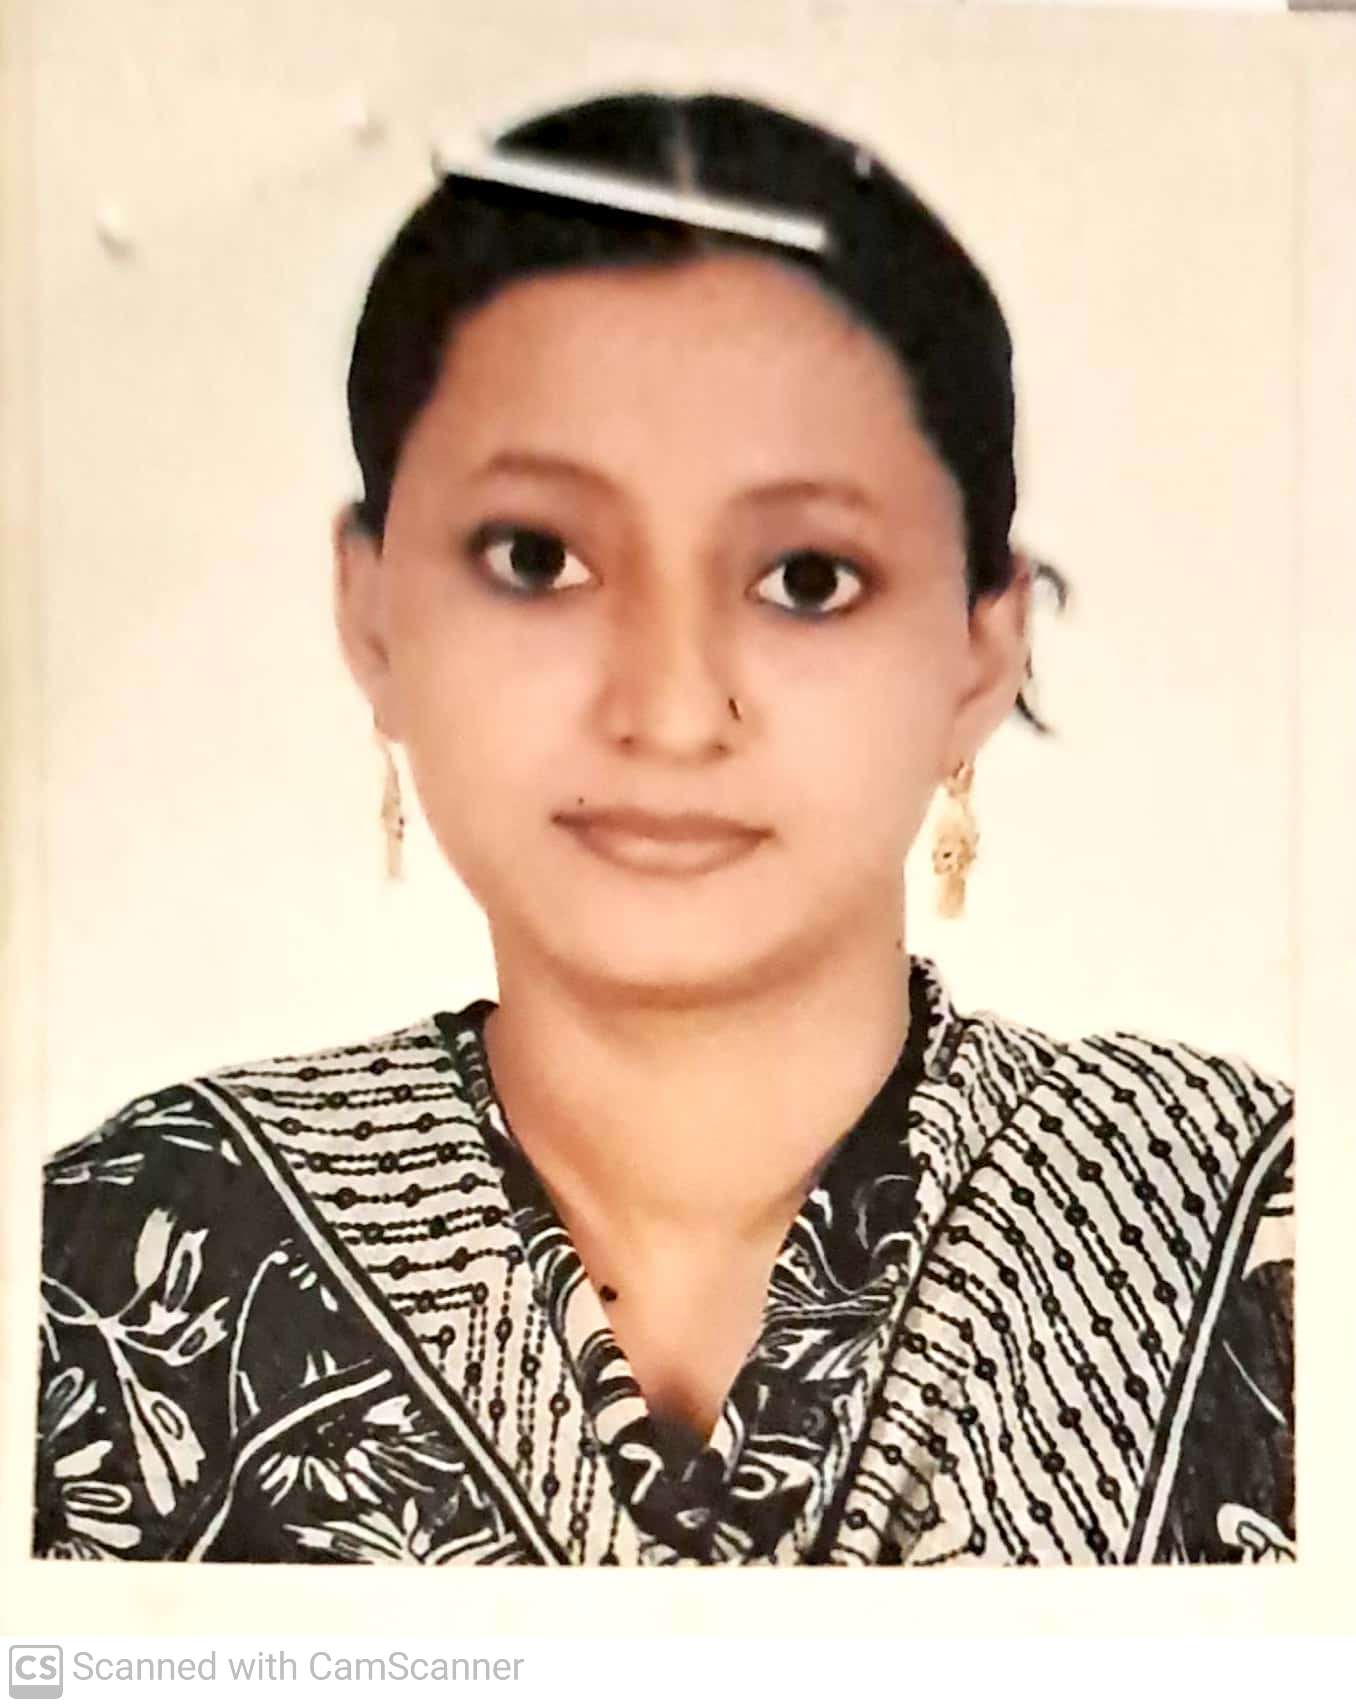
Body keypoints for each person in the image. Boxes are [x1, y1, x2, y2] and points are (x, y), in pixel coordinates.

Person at [32, 90, 1293, 1567]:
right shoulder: (114, 1262)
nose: (673, 710)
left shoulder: (1267, 1235)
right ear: (371, 614)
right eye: (537, 557)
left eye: (807, 578)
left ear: (981, 650)